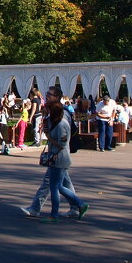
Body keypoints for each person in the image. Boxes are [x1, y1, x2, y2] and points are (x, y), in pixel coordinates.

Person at [39, 87, 88, 222]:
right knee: (59, 186)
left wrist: (50, 141)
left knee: (55, 188)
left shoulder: (61, 124)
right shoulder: (55, 123)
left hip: (60, 158)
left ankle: (55, 215)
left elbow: (62, 143)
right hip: (59, 158)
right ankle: (79, 204)